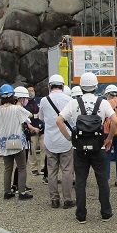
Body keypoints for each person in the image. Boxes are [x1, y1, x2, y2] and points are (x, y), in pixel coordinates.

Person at [56, 72, 117, 223]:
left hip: (80, 148)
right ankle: (105, 212)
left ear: (81, 87)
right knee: (102, 180)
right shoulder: (102, 102)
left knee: (81, 181)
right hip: (98, 147)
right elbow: (115, 121)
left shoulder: (74, 103)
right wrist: (108, 139)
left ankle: (81, 215)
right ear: (96, 86)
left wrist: (70, 138)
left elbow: (59, 120)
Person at [39, 74, 75, 209]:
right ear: (63, 86)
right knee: (66, 170)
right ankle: (68, 199)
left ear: (50, 86)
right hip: (66, 139)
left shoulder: (44, 100)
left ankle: (54, 199)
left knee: (52, 171)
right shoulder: (69, 99)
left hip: (50, 140)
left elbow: (41, 118)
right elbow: (72, 119)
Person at [0, 84, 33, 200]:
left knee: (7, 168)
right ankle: (22, 192)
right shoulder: (16, 109)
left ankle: (7, 192)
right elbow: (29, 115)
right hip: (17, 142)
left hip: (4, 143)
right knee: (22, 167)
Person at [12, 86, 39, 193]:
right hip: (22, 140)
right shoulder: (19, 109)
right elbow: (30, 116)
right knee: (22, 165)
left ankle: (15, 185)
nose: (27, 100)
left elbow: (26, 122)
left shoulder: (12, 108)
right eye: (25, 98)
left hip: (15, 139)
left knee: (15, 166)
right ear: (20, 98)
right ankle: (20, 187)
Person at [103, 84, 117, 186]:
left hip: (107, 131)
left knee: (107, 155)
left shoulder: (105, 103)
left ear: (108, 94)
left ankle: (106, 179)